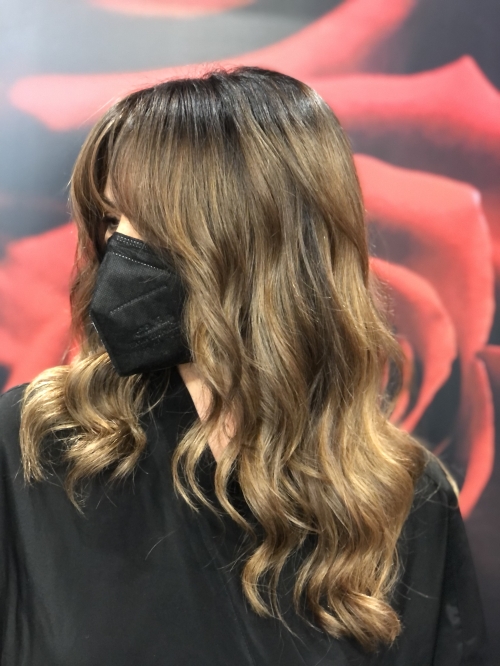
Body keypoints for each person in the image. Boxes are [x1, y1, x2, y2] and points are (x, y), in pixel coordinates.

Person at [0, 67, 487, 665]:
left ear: (262, 245)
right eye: (109, 220)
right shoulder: (31, 447)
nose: (116, 251)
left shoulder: (405, 499)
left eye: (153, 224)